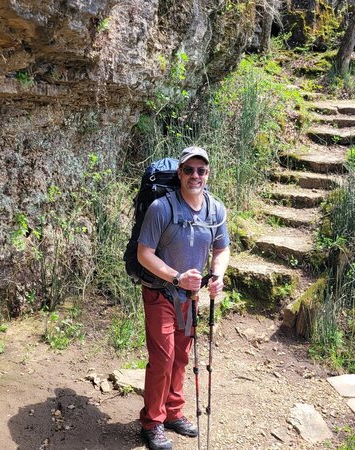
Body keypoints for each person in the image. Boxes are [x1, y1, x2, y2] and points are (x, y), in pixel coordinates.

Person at [136, 146, 231, 450]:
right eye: (189, 170)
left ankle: (173, 412)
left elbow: (221, 248)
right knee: (163, 358)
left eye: (201, 170)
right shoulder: (161, 209)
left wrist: (217, 275)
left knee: (181, 356)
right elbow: (144, 254)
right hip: (159, 291)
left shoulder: (215, 210)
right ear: (179, 173)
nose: (195, 176)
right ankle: (152, 422)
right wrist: (176, 277)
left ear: (208, 174)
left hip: (189, 297)